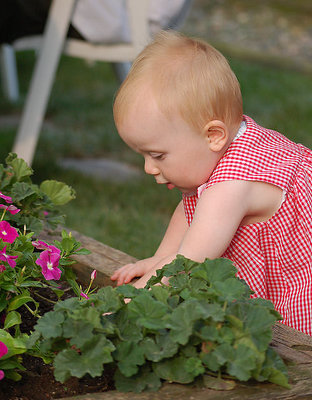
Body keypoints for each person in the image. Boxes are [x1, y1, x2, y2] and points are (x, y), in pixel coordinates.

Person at [111, 30, 312, 336]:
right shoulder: (231, 139)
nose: (148, 168)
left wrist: (135, 301)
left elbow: (190, 261)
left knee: (295, 347)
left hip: (300, 267)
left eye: (157, 155)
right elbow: (190, 209)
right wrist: (160, 257)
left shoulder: (231, 187)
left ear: (213, 136)